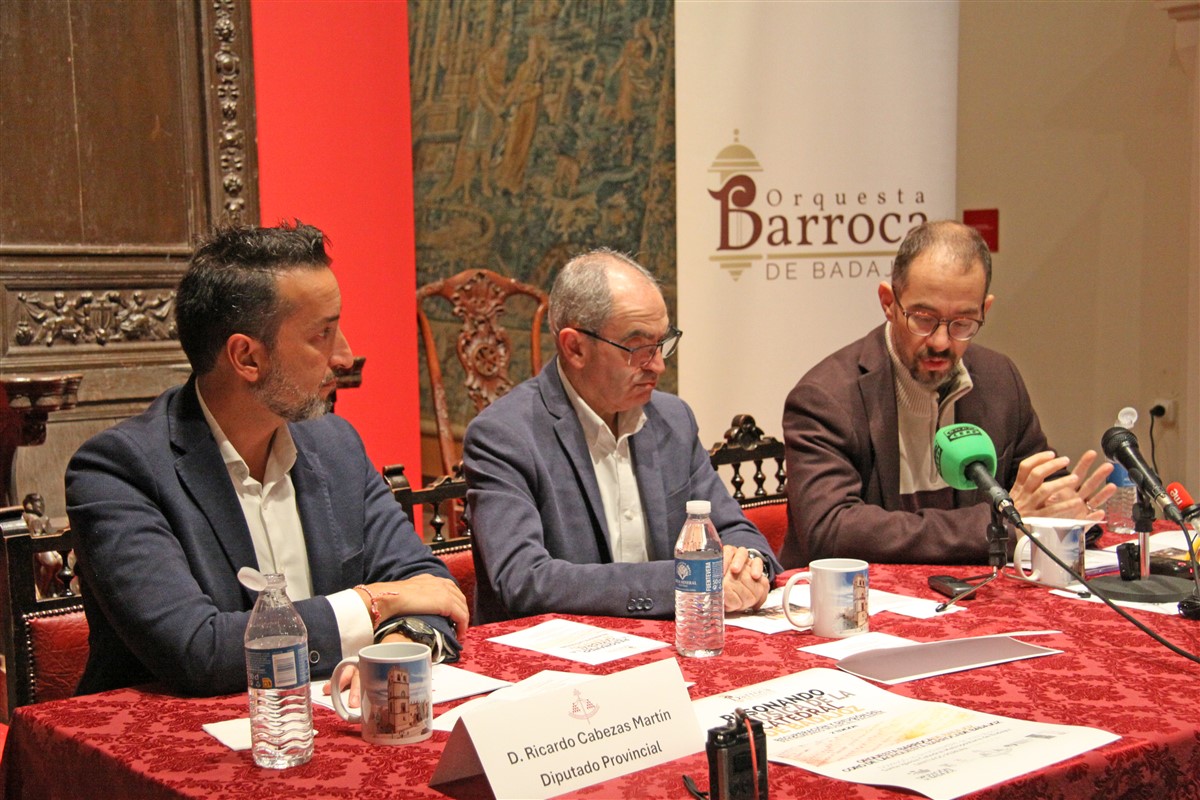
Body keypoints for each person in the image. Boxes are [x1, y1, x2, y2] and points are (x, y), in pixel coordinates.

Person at [66, 222, 468, 697]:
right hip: (173, 736)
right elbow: (197, 651)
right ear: (247, 358)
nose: (345, 356)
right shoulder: (117, 471)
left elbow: (428, 586)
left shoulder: (334, 445)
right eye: (322, 334)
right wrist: (373, 602)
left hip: (328, 718)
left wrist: (397, 645)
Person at [463, 248, 781, 624]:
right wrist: (686, 579)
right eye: (639, 348)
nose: (658, 365)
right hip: (561, 652)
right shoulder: (504, 436)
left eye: (662, 343)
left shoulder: (673, 419)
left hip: (674, 640)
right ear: (575, 347)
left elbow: (733, 529)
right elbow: (524, 580)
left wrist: (749, 567)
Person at [781, 220, 1114, 568]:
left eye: (963, 323)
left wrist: (1071, 513)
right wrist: (996, 526)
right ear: (888, 302)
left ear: (984, 310)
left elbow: (1038, 499)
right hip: (865, 597)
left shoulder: (1000, 381)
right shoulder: (827, 397)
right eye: (924, 318)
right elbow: (831, 530)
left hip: (977, 592)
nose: (941, 342)